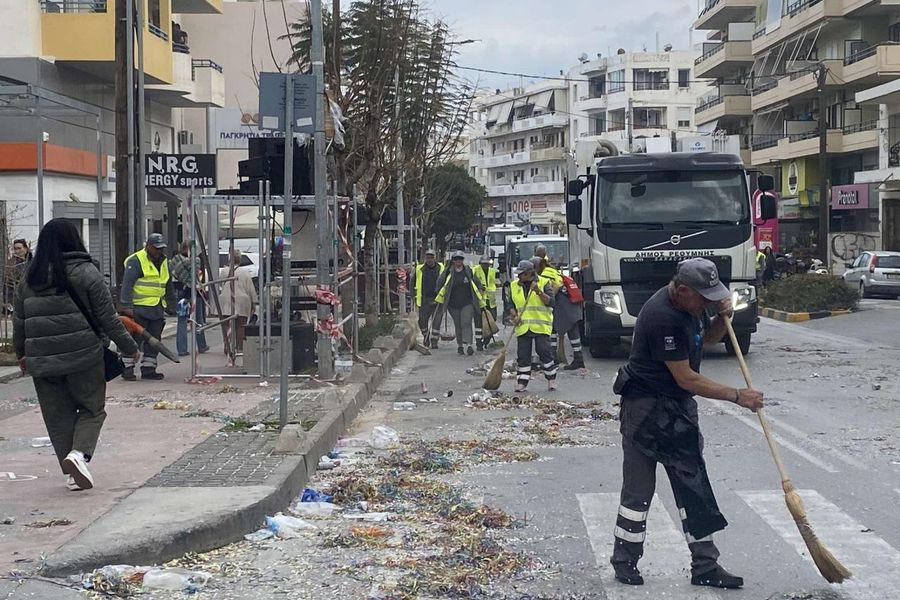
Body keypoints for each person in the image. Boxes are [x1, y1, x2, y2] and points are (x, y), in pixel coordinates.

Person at [609, 258, 764, 589]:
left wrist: (725, 318)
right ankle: (625, 560)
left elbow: (706, 340)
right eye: (704, 297)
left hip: (677, 408)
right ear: (681, 291)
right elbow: (686, 378)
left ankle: (705, 565)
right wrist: (738, 396)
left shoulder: (694, 305)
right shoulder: (662, 316)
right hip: (645, 409)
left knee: (693, 485)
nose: (709, 301)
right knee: (639, 489)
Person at [13, 219, 139, 491]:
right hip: (84, 356)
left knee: (57, 418)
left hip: (42, 361)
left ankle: (71, 476)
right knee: (92, 409)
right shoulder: (87, 272)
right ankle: (78, 455)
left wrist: (21, 354)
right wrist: (130, 347)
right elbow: (109, 318)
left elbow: (19, 324)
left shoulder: (29, 280)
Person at [120, 233, 175, 381]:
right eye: (156, 248)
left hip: (156, 308)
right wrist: (126, 306)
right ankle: (127, 368)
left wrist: (171, 304)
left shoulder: (164, 261)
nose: (159, 251)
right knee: (133, 340)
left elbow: (167, 284)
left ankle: (149, 369)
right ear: (148, 246)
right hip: (139, 308)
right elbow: (127, 284)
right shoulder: (136, 261)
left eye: (161, 248)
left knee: (154, 340)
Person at [510, 260, 557, 392]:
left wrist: (538, 292)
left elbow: (551, 302)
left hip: (540, 325)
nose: (519, 276)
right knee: (523, 355)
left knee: (544, 351)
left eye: (522, 274)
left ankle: (551, 379)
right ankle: (522, 382)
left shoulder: (543, 283)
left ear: (530, 273)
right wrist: (514, 316)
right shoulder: (514, 285)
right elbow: (510, 305)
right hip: (523, 326)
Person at [535, 256, 585, 371]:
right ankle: (577, 359)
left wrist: (549, 300)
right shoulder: (552, 271)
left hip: (564, 305)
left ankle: (555, 359)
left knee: (554, 329)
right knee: (569, 330)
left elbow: (554, 288)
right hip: (571, 303)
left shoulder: (545, 274)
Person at [434, 251, 485, 356]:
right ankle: (460, 345)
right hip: (453, 304)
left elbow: (476, 282)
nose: (458, 261)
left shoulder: (468, 271)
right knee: (458, 325)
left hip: (467, 302)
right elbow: (440, 283)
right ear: (453, 261)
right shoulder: (448, 272)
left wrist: (480, 289)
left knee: (466, 322)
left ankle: (469, 345)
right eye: (456, 259)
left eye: (460, 259)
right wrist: (439, 296)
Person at [171, 242, 209, 357]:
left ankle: (182, 349)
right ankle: (201, 345)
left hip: (181, 293)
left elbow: (174, 273)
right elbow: (196, 275)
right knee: (198, 320)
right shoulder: (196, 261)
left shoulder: (174, 261)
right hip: (194, 292)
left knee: (182, 321)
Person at [219, 249, 258, 354]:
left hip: (226, 299)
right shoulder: (245, 273)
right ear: (240, 259)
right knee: (241, 325)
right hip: (242, 300)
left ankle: (227, 346)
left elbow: (221, 285)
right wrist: (254, 302)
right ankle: (240, 347)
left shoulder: (224, 271)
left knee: (226, 324)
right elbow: (250, 289)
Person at [413, 249, 444, 349]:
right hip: (424, 300)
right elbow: (412, 283)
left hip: (437, 300)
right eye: (428, 258)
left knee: (437, 321)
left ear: (435, 258)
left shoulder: (441, 268)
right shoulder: (419, 269)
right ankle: (425, 336)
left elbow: (446, 282)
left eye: (431, 257)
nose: (429, 260)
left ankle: (434, 341)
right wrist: (413, 296)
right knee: (422, 321)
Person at [472, 254, 498, 350]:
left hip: (491, 301)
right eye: (484, 264)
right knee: (479, 323)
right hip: (479, 301)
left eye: (487, 264)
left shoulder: (492, 271)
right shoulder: (476, 270)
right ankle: (479, 344)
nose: (486, 266)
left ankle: (486, 341)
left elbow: (492, 284)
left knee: (492, 322)